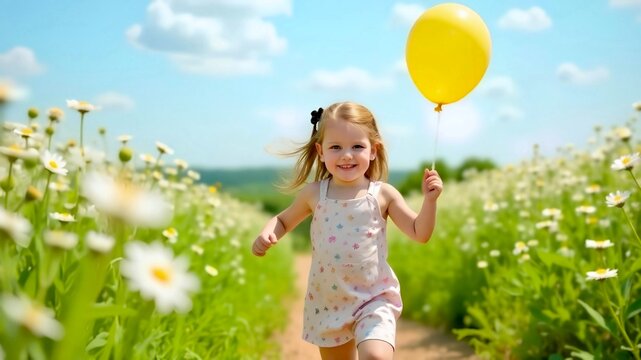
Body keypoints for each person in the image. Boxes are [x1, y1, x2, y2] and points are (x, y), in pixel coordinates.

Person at [251, 101, 443, 360]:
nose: (347, 155)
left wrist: (429, 202)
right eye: (336, 147)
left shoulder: (383, 194)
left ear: (374, 150)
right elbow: (283, 221)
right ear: (320, 151)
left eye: (357, 146)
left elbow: (420, 233)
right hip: (328, 302)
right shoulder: (314, 194)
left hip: (374, 299)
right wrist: (267, 232)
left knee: (376, 356)